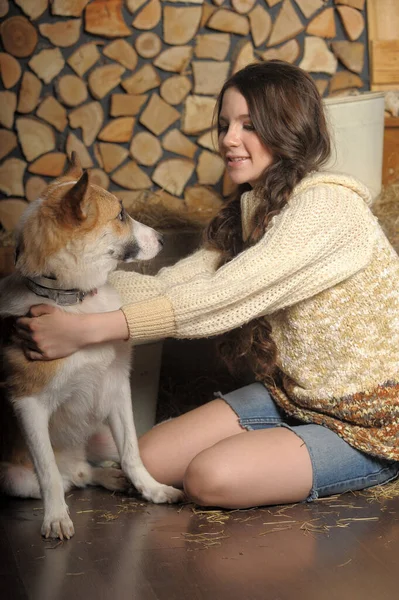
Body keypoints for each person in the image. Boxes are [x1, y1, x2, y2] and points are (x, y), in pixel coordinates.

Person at [16, 61, 399, 509]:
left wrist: (84, 329)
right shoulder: (256, 209)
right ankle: (281, 451)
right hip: (293, 397)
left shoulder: (328, 206)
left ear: (288, 128)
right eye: (224, 125)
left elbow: (220, 297)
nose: (228, 139)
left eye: (249, 125)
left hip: (374, 420)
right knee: (150, 461)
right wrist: (53, 296)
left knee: (208, 479)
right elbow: (174, 284)